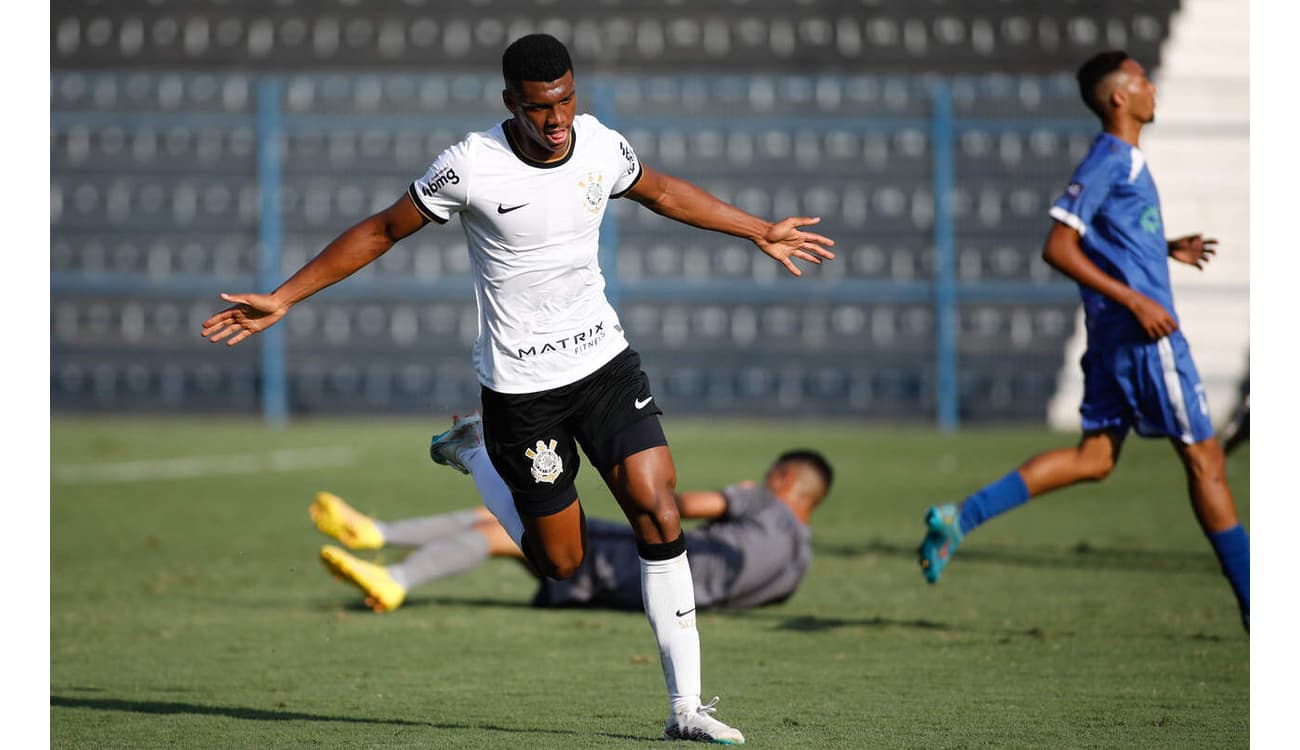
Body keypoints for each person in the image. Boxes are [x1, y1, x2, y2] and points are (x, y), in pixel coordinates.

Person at [201, 33, 835, 743]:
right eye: (540, 107)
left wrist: (757, 231)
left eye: (565, 100)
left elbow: (660, 190)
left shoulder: (599, 146)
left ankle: (686, 707)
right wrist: (286, 297)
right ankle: (475, 451)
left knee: (657, 510)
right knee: (561, 563)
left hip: (604, 365)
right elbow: (382, 229)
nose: (557, 118)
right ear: (512, 104)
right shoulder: (469, 166)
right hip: (523, 391)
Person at [916, 50, 1250, 632]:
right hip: (1146, 337)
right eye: (1142, 79)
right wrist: (1138, 299)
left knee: (1093, 459)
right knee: (1206, 460)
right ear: (1119, 96)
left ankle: (960, 517)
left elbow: (1100, 236)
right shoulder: (1112, 159)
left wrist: (1164, 249)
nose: (1152, 87)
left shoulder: (1123, 163)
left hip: (1114, 337)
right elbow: (1058, 246)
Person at [310, 422, 833, 618]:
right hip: (664, 603)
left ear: (787, 479)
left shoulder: (766, 503)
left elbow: (674, 506)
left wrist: (729, 495)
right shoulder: (800, 564)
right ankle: (378, 533)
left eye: (769, 476)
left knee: (503, 532)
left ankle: (394, 577)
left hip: (643, 570)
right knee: (508, 515)